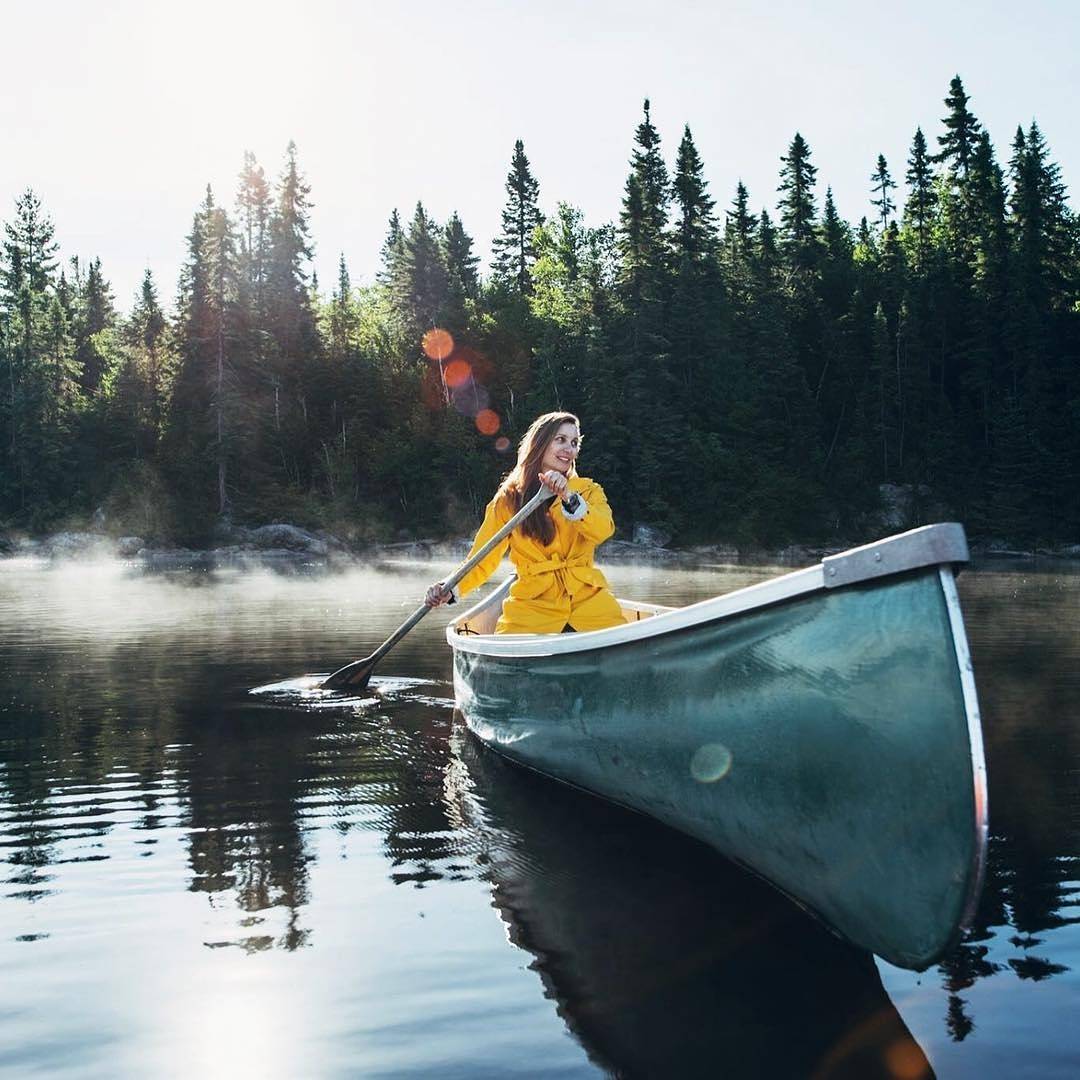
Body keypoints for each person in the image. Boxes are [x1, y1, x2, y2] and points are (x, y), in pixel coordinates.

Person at [425, 411, 624, 635]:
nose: (569, 449)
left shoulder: (588, 491)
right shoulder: (508, 500)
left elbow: (602, 530)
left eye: (574, 442)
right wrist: (449, 587)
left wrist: (569, 497)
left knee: (622, 637)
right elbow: (483, 558)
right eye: (560, 440)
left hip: (590, 605)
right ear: (540, 444)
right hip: (531, 610)